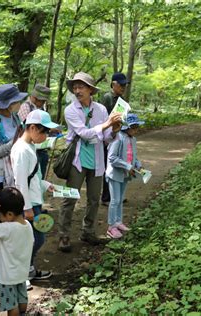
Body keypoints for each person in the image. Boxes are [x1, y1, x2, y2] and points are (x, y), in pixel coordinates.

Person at [58, 72, 122, 252]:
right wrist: (106, 124)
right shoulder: (70, 110)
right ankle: (64, 235)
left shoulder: (101, 109)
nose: (77, 91)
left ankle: (88, 231)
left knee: (94, 199)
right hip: (77, 160)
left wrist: (114, 130)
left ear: (91, 90)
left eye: (81, 87)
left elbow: (107, 138)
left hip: (97, 160)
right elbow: (84, 133)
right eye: (75, 87)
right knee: (70, 198)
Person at [10, 109, 60, 283]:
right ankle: (20, 273)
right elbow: (20, 181)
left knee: (35, 238)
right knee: (32, 239)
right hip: (27, 204)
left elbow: (34, 177)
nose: (46, 136)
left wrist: (47, 185)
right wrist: (26, 208)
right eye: (44, 131)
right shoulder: (22, 150)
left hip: (34, 201)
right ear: (32, 128)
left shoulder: (30, 147)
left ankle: (28, 269)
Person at [0, 187, 34, 316]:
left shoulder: (7, 228)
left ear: (9, 214)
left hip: (6, 275)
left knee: (11, 305)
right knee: (21, 298)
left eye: (0, 215)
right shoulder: (27, 225)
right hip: (21, 272)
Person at [105, 113, 144, 239]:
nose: (136, 130)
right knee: (115, 200)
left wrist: (138, 165)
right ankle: (111, 227)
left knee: (120, 199)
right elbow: (112, 158)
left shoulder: (133, 139)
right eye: (134, 127)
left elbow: (133, 155)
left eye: (137, 127)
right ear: (127, 127)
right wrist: (127, 166)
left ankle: (118, 221)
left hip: (125, 175)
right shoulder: (118, 138)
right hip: (115, 174)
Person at [0, 83, 27, 190]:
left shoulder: (15, 117)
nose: (20, 103)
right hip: (0, 174)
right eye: (17, 101)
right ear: (9, 104)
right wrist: (12, 144)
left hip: (16, 168)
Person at [100, 73, 130, 206]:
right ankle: (106, 197)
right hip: (107, 136)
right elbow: (102, 117)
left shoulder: (121, 99)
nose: (123, 87)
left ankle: (114, 195)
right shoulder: (107, 97)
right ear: (113, 84)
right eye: (121, 84)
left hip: (117, 135)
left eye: (125, 85)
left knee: (116, 165)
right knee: (108, 166)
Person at [18, 84, 54, 180]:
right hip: (30, 147)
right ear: (35, 98)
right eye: (42, 100)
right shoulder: (26, 107)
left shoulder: (41, 108)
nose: (43, 102)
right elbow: (27, 128)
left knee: (40, 177)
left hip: (40, 148)